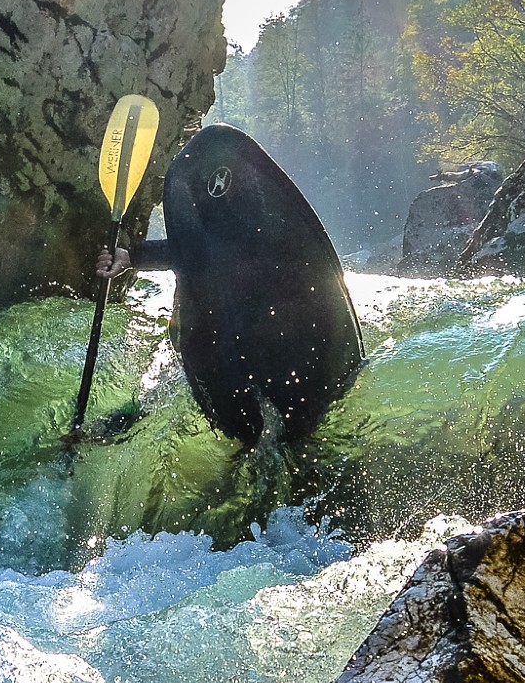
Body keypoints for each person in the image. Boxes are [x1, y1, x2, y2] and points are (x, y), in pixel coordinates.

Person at [88, 124, 363, 444]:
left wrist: (135, 256)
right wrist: (131, 256)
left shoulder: (259, 230)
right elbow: (195, 249)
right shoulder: (209, 242)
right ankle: (105, 431)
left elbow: (216, 250)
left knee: (165, 393)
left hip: (256, 341)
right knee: (161, 391)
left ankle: (109, 430)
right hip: (215, 344)